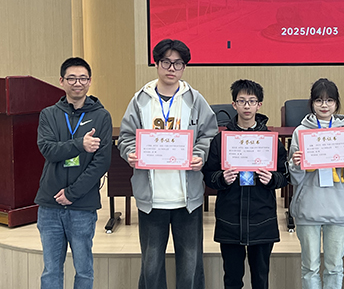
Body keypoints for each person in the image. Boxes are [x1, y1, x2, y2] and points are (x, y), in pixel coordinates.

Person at [118, 39, 218, 289]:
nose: (171, 68)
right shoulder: (140, 100)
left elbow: (209, 134)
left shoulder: (195, 100)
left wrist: (200, 154)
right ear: (156, 63)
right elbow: (126, 136)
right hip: (152, 198)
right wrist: (130, 152)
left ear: (184, 67)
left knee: (190, 265)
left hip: (187, 198)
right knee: (151, 265)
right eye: (166, 62)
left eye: (178, 63)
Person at [202, 79, 288, 289]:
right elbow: (208, 175)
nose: (247, 106)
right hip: (230, 218)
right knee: (232, 279)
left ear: (259, 105)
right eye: (242, 101)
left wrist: (272, 179)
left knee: (261, 279)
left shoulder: (269, 140)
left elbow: (284, 175)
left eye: (252, 101)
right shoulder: (221, 140)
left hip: (262, 218)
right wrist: (222, 178)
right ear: (234, 104)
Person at [35, 57, 112, 289]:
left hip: (82, 205)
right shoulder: (49, 114)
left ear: (89, 81)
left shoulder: (101, 116)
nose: (77, 83)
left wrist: (72, 193)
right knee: (51, 270)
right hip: (50, 204)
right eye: (71, 78)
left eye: (82, 78)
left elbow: (101, 163)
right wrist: (80, 144)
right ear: (61, 81)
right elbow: (48, 150)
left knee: (84, 271)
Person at [288, 78, 344, 289]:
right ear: (312, 103)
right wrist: (296, 164)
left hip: (338, 208)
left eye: (330, 100)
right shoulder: (300, 132)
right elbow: (294, 178)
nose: (324, 105)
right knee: (310, 267)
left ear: (336, 103)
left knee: (334, 267)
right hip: (308, 208)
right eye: (319, 100)